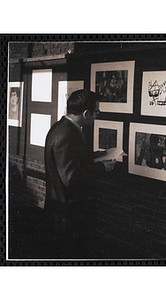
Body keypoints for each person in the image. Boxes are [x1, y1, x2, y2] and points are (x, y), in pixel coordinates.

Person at [44, 89, 116, 258]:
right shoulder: (67, 134)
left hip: (65, 212)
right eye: (96, 112)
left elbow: (69, 160)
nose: (97, 115)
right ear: (86, 113)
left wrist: (94, 155)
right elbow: (71, 177)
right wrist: (102, 168)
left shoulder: (63, 127)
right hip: (69, 215)